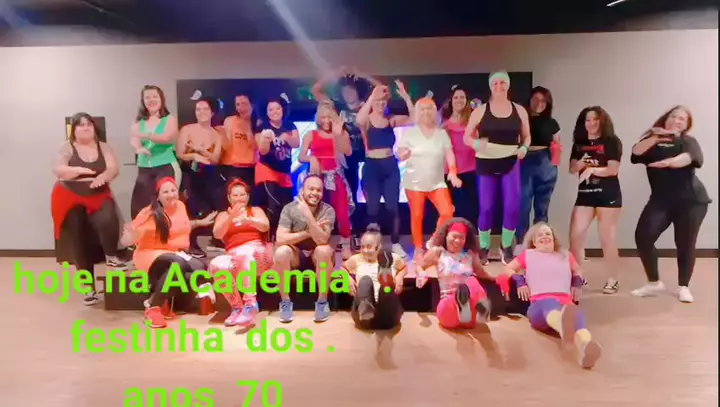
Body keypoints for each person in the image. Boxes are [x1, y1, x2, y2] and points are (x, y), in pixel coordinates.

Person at [629, 106, 710, 303]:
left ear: (686, 125)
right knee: (643, 236)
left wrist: (668, 163)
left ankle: (684, 286)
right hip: (661, 200)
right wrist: (655, 137)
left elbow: (691, 158)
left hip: (691, 200)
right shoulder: (652, 142)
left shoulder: (687, 141)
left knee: (685, 243)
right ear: (666, 118)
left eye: (682, 119)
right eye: (674, 116)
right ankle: (654, 282)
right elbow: (635, 152)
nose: (677, 120)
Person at [497, 222, 601, 369]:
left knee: (577, 315)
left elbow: (578, 270)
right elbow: (508, 269)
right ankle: (563, 325)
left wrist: (576, 282)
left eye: (548, 234)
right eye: (540, 235)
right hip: (539, 304)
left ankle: (586, 346)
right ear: (533, 241)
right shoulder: (528, 255)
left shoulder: (565, 255)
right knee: (550, 306)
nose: (544, 236)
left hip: (565, 302)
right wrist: (520, 281)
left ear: (553, 238)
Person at [52, 113, 128, 305]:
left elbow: (113, 168)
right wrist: (79, 171)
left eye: (88, 124)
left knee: (108, 218)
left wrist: (104, 176)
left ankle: (111, 256)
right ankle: (88, 288)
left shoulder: (104, 147)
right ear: (74, 130)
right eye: (80, 125)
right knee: (79, 239)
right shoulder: (67, 147)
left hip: (97, 193)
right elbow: (59, 169)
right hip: (70, 195)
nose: (85, 128)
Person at [121, 177, 216, 328]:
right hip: (149, 253)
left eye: (173, 190)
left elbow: (179, 227)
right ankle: (153, 308)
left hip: (173, 253)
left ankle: (159, 298)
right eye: (165, 192)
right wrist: (130, 236)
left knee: (199, 267)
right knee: (178, 264)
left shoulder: (180, 206)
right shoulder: (149, 213)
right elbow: (128, 239)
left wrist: (200, 223)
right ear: (158, 196)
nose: (171, 194)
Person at [463, 71, 531, 265]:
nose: (499, 86)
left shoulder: (519, 110)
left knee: (512, 206)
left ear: (508, 85)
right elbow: (466, 137)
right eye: (495, 83)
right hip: (486, 162)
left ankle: (506, 245)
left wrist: (524, 148)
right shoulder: (480, 111)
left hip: (510, 161)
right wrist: (476, 144)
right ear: (490, 86)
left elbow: (527, 136)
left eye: (503, 82)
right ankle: (484, 247)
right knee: (486, 207)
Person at [312, 67, 383, 244]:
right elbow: (316, 90)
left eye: (350, 91)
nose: (348, 94)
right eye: (344, 91)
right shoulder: (338, 107)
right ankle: (350, 232)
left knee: (369, 191)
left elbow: (382, 90)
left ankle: (369, 228)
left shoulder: (367, 105)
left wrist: (364, 74)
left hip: (368, 153)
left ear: (357, 91)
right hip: (346, 155)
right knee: (349, 193)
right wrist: (335, 73)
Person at [355, 81, 415, 258]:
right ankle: (372, 245)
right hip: (372, 167)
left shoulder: (391, 120)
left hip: (390, 166)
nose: (381, 103)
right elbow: (358, 120)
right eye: (378, 100)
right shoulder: (367, 121)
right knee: (372, 209)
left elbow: (414, 119)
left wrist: (405, 96)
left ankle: (395, 243)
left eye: (383, 101)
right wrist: (372, 96)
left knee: (392, 207)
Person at [397, 97, 461, 261]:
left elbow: (449, 154)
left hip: (437, 183)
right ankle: (418, 248)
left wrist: (453, 171)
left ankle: (434, 240)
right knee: (417, 215)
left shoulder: (441, 134)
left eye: (429, 109)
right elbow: (400, 153)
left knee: (447, 212)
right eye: (423, 109)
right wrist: (403, 155)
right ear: (418, 112)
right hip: (414, 183)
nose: (426, 112)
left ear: (434, 112)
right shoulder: (410, 133)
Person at [568, 106, 623, 294]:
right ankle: (578, 277)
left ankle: (613, 279)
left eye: (595, 119)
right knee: (575, 237)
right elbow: (572, 169)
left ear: (602, 121)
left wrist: (592, 170)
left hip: (608, 195)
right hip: (585, 194)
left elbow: (612, 170)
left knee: (607, 238)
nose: (591, 123)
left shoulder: (612, 141)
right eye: (588, 120)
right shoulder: (579, 143)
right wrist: (582, 163)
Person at [208, 179, 274, 327]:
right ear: (229, 198)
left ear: (248, 196)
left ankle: (250, 303)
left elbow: (265, 226)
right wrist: (231, 218)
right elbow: (217, 234)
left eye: (242, 195)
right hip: (234, 255)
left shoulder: (255, 210)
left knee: (244, 253)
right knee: (216, 264)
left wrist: (249, 220)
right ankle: (237, 307)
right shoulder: (223, 215)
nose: (239, 198)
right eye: (235, 195)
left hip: (256, 254)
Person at [273, 176, 336, 323]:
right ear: (302, 190)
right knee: (281, 252)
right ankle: (285, 302)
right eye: (311, 189)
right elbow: (280, 238)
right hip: (296, 255)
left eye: (318, 190)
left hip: (317, 255)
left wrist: (307, 215)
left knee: (324, 250)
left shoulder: (327, 210)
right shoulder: (289, 208)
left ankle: (322, 302)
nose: (315, 193)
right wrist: (308, 233)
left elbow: (322, 240)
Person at [298, 102, 354, 259]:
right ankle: (312, 243)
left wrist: (338, 135)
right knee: (315, 211)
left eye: (329, 117)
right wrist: (312, 158)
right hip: (316, 178)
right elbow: (301, 156)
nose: (326, 121)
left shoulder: (340, 133)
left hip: (335, 176)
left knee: (341, 212)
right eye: (323, 117)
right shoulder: (310, 134)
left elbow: (348, 152)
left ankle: (345, 245)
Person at [419, 218, 492, 329]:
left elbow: (481, 273)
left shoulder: (470, 255)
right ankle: (461, 304)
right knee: (467, 283)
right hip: (448, 312)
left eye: (461, 238)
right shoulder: (438, 252)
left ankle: (475, 309)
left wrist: (498, 279)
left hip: (469, 318)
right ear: (446, 236)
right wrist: (421, 274)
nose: (457, 241)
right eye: (454, 236)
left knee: (472, 281)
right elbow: (420, 265)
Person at [176, 98, 222, 258]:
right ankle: (189, 244)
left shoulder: (216, 134)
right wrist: (194, 155)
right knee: (189, 207)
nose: (201, 112)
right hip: (189, 174)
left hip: (207, 175)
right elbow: (180, 154)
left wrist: (201, 151)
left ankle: (214, 240)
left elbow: (215, 159)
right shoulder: (187, 129)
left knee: (212, 206)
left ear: (212, 112)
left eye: (205, 109)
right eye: (198, 109)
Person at [517, 86, 561, 244]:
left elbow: (557, 145)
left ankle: (541, 244)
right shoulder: (520, 119)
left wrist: (553, 164)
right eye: (535, 99)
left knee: (542, 209)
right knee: (522, 207)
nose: (539, 103)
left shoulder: (552, 123)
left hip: (545, 163)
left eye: (543, 101)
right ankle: (522, 244)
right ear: (529, 100)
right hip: (524, 161)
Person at [130, 85, 180, 219]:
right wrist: (138, 148)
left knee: (165, 205)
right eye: (147, 97)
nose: (151, 100)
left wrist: (145, 135)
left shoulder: (169, 119)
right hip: (144, 167)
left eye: (154, 97)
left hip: (165, 166)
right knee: (140, 206)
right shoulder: (138, 121)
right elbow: (134, 138)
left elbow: (167, 138)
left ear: (161, 99)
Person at [342, 225, 407, 329]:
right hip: (362, 317)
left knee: (385, 286)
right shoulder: (356, 259)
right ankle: (366, 311)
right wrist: (347, 279)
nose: (364, 250)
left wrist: (400, 277)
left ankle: (384, 311)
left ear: (379, 247)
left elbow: (404, 268)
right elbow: (343, 268)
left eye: (369, 247)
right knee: (365, 281)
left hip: (387, 315)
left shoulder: (391, 258)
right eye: (362, 247)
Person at [254, 97, 300, 240]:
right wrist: (265, 139)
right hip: (267, 171)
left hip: (284, 173)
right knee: (272, 206)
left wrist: (286, 137)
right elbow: (262, 151)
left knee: (287, 206)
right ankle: (269, 239)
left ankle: (283, 237)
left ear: (283, 109)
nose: (275, 112)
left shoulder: (289, 125)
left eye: (277, 108)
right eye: (271, 109)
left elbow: (296, 143)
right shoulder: (262, 127)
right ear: (266, 112)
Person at [441, 86, 479, 230]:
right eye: (456, 97)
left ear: (466, 100)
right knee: (456, 211)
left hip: (472, 172)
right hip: (452, 174)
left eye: (462, 97)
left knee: (471, 211)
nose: (459, 100)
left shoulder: (473, 123)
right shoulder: (444, 126)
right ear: (451, 101)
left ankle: (470, 241)